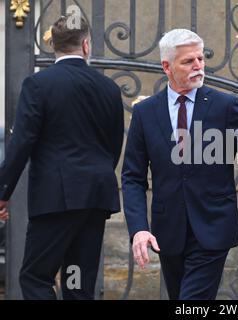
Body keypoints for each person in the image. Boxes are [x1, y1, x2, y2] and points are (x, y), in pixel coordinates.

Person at [121, 29, 238, 300]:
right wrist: (139, 228)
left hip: (213, 227)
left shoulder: (225, 106)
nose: (198, 66)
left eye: (200, 59)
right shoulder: (145, 112)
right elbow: (132, 177)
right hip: (168, 230)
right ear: (166, 66)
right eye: (188, 61)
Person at [0, 15, 124, 299]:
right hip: (95, 197)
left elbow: (22, 143)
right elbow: (114, 145)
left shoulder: (39, 85)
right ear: (86, 45)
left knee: (35, 277)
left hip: (56, 198)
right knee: (78, 281)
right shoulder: (109, 88)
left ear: (53, 46)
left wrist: (3, 192)